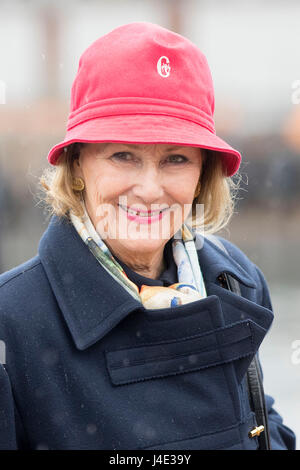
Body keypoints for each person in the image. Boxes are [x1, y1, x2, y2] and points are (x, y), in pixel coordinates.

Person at [0, 22, 296, 450]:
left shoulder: (237, 282)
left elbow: (266, 428)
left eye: (176, 158)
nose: (150, 189)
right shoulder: (13, 321)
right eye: (124, 156)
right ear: (78, 163)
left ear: (202, 175)